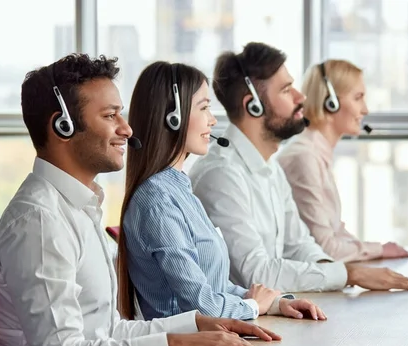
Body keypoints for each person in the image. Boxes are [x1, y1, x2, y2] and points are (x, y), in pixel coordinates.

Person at [0, 54, 279, 346]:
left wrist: (194, 325)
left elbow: (107, 332)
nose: (127, 128)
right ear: (63, 126)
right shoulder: (40, 223)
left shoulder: (77, 208)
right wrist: (177, 343)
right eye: (110, 116)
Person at [189, 42, 408, 293]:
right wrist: (349, 274)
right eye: (286, 90)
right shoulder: (222, 176)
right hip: (238, 325)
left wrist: (336, 272)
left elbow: (299, 245)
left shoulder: (270, 168)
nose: (300, 97)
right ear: (253, 105)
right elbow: (256, 275)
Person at [116, 61, 325, 323]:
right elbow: (202, 305)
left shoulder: (179, 190)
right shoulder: (157, 201)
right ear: (174, 117)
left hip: (210, 343)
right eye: (204, 107)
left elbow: (216, 289)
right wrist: (252, 306)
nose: (213, 120)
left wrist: (274, 303)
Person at [277, 59, 408, 262]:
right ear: (330, 102)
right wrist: (378, 250)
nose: (365, 109)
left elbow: (335, 232)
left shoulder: (316, 153)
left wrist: (375, 249)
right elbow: (325, 248)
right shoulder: (304, 158)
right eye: (358, 98)